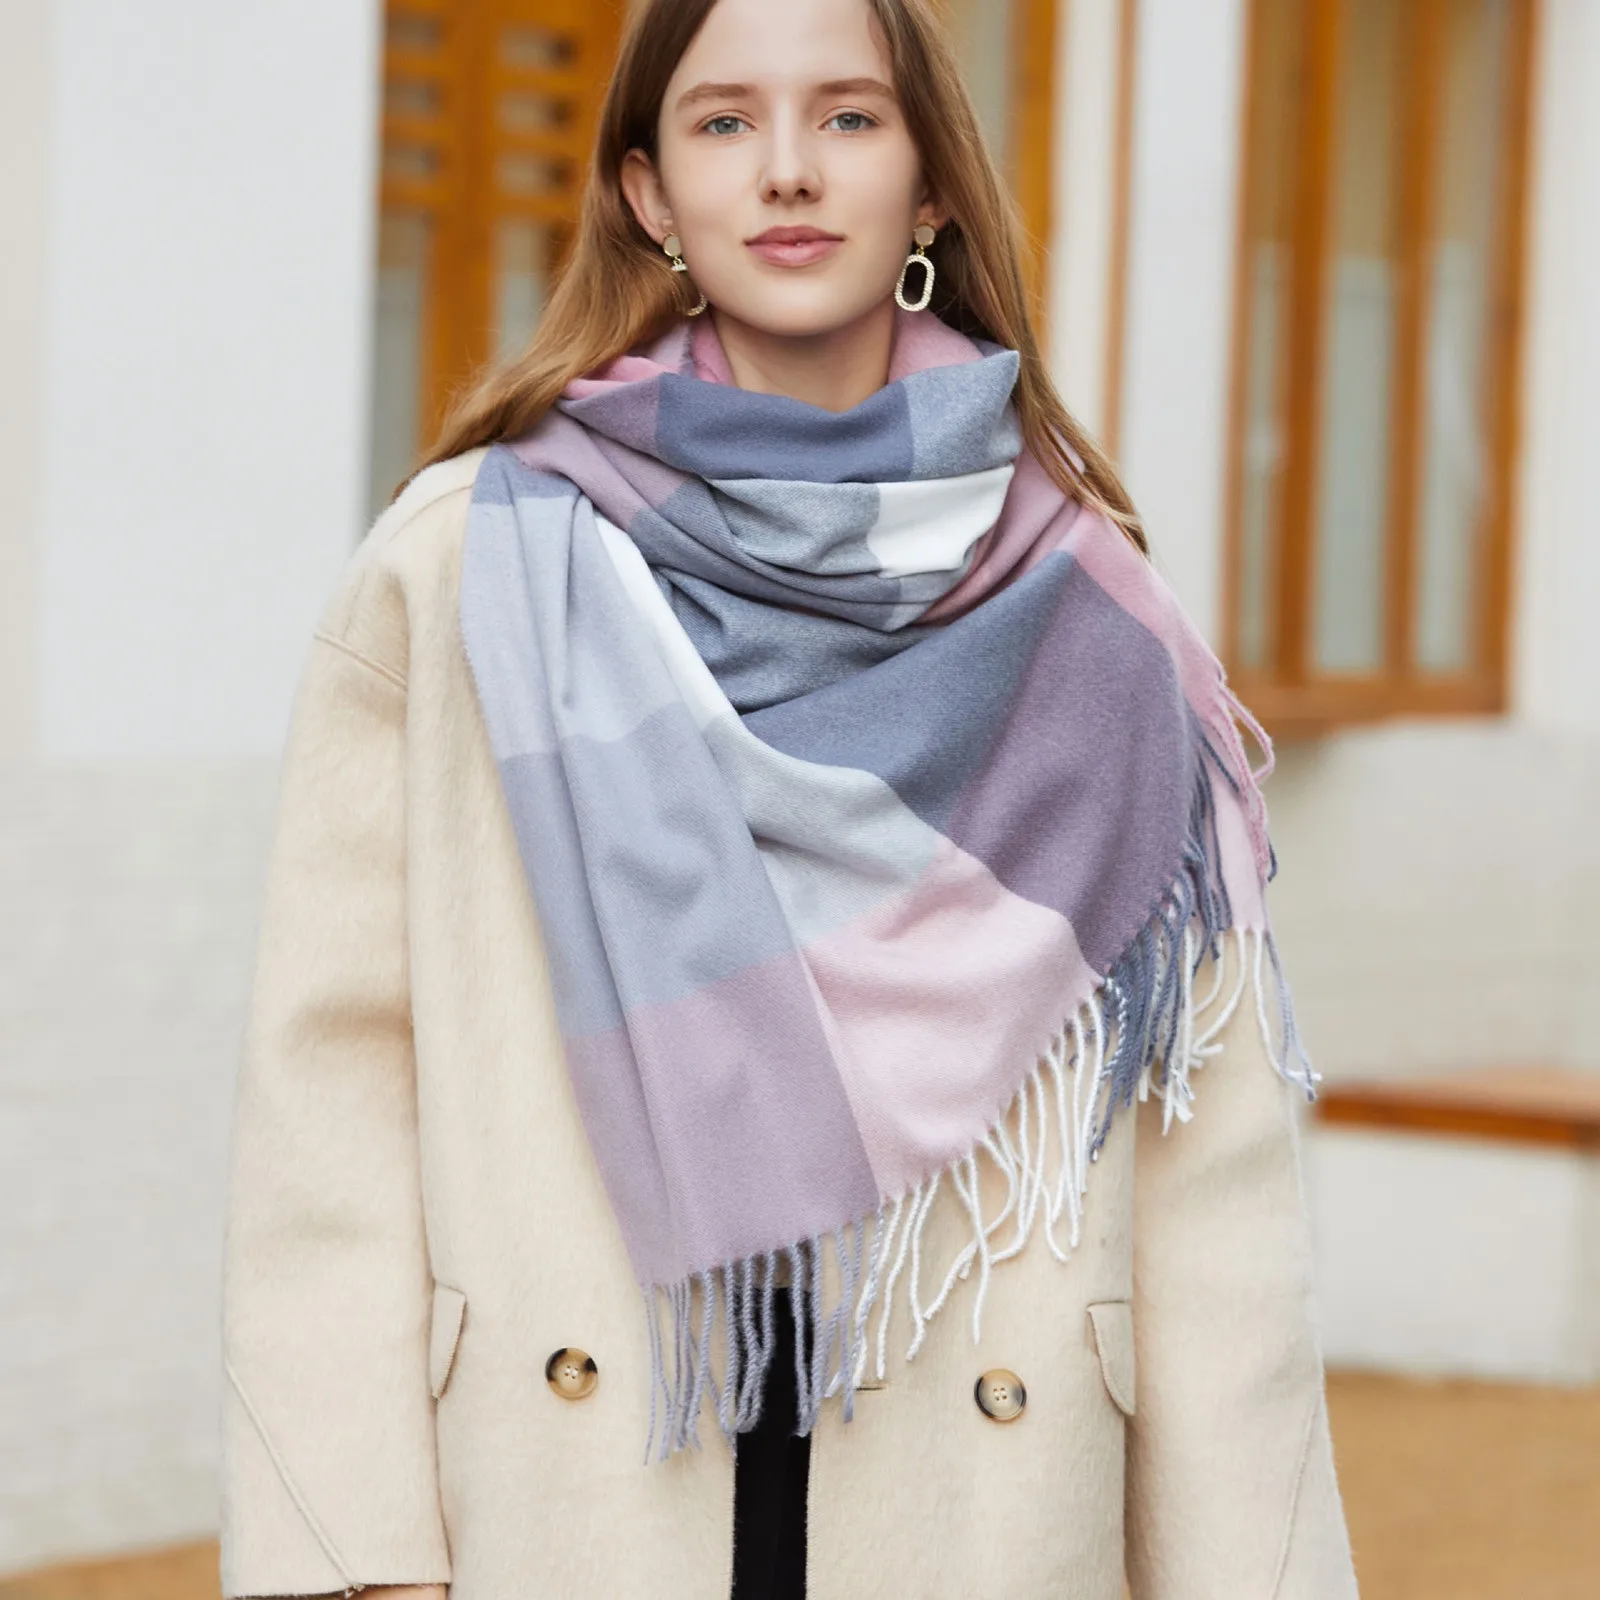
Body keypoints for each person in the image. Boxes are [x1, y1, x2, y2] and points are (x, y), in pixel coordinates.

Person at [217, 0, 1360, 1595]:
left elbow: (1213, 1192)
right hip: (568, 1492)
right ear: (649, 193)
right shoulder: (466, 566)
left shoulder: (1102, 629)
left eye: (848, 118)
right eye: (723, 122)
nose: (787, 171)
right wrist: (360, 1558)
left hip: (979, 1514)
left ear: (931, 185)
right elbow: (332, 1101)